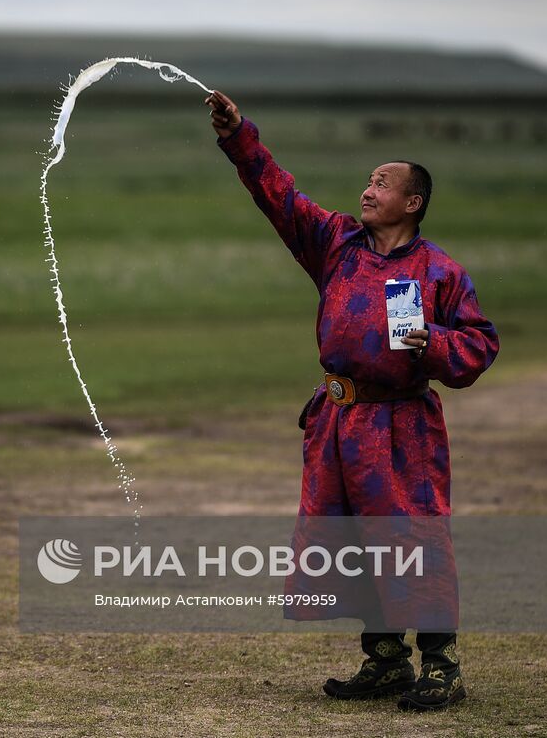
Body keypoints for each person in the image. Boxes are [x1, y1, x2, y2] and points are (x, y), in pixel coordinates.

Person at [206, 90, 499, 712]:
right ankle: (385, 657)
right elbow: (278, 195)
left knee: (411, 537)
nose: (367, 190)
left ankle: (441, 665)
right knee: (347, 539)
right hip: (337, 420)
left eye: (382, 183)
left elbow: (479, 347)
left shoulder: (439, 273)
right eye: (367, 180)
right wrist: (239, 137)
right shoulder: (335, 243)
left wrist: (433, 343)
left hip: (401, 427)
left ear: (411, 202)